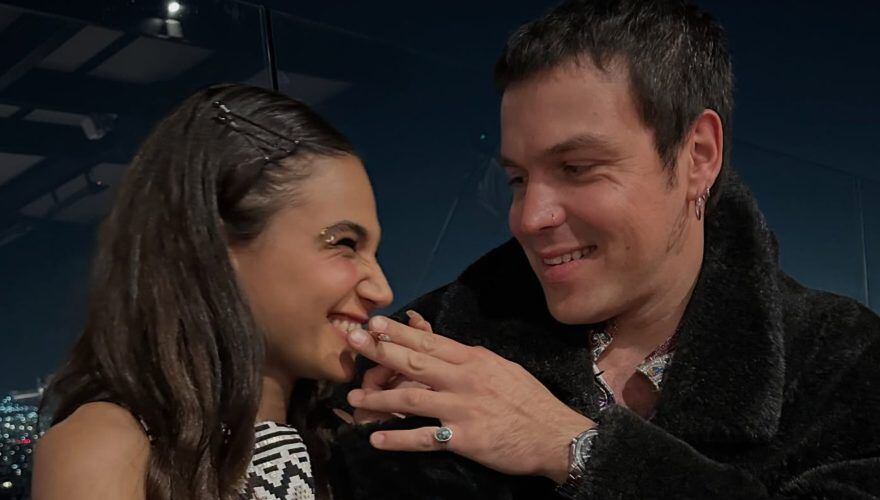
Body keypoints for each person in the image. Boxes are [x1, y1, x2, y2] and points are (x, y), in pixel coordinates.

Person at [333, 0, 880, 498]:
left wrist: (574, 449)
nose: (529, 218)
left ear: (698, 156)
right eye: (518, 179)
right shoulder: (433, 341)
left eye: (576, 168)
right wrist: (381, 457)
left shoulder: (847, 365)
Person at [31, 83, 395, 500]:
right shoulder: (110, 448)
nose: (382, 290)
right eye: (345, 243)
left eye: (375, 253)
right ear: (215, 249)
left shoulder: (344, 439)